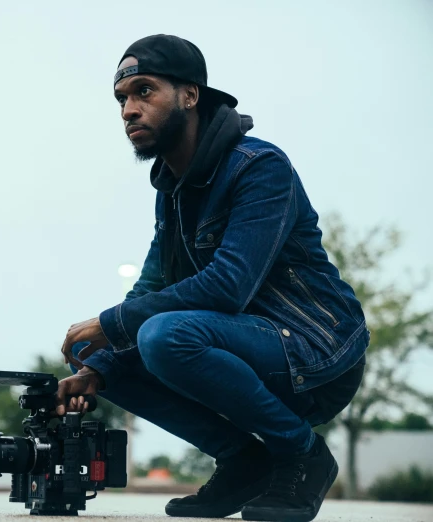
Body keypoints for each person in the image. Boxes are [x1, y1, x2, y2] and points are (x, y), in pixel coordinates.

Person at [55, 34, 368, 522]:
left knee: (162, 334)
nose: (128, 111)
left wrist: (112, 321)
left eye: (144, 92)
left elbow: (228, 285)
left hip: (315, 352)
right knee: (91, 350)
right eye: (121, 99)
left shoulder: (259, 167)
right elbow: (151, 286)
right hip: (238, 343)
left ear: (189, 95)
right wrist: (100, 369)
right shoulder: (173, 190)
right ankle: (245, 461)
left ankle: (301, 454)